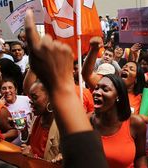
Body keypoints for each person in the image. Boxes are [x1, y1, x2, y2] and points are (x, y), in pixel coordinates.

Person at [25, 9, 107, 167]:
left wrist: (60, 85)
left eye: (34, 98)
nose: (31, 102)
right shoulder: (37, 120)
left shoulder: (75, 117)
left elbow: (87, 159)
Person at [91, 74, 147, 167]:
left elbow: (140, 156)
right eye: (96, 88)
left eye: (105, 89)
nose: (97, 92)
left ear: (118, 96)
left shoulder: (135, 123)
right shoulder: (87, 121)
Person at [21, 80, 61, 162]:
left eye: (34, 97)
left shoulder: (63, 126)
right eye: (30, 98)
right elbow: (29, 146)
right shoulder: (36, 117)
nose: (30, 101)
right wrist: (24, 132)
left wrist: (33, 159)